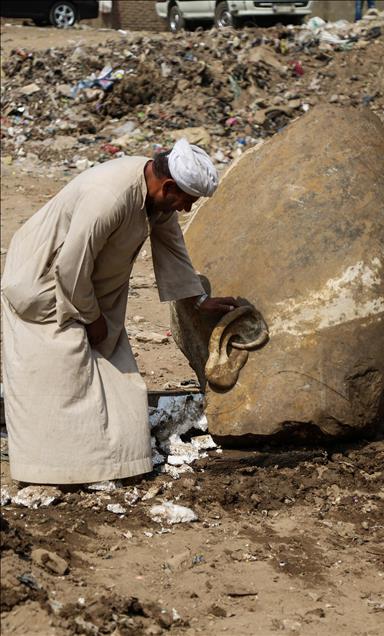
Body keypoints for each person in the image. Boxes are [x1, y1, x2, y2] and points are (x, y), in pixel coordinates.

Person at [1, 139, 236, 485]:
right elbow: (69, 267)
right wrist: (92, 319)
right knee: (60, 382)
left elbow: (171, 247)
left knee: (118, 384)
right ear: (169, 186)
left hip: (88, 291)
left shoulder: (156, 196)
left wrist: (198, 301)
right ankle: (51, 471)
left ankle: (110, 465)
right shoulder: (109, 197)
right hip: (44, 284)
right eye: (186, 201)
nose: (185, 210)